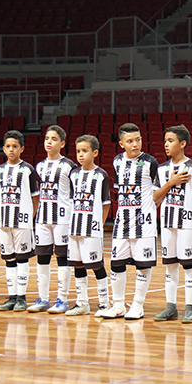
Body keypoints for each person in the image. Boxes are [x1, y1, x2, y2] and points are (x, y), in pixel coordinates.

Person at [100, 123, 160, 320]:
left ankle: (138, 305)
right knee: (116, 264)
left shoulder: (151, 162)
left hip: (144, 223)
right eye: (130, 141)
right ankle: (118, 305)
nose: (135, 144)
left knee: (143, 265)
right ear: (121, 144)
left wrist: (149, 211)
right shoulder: (117, 161)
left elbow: (157, 193)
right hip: (122, 224)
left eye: (138, 139)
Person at [153, 125, 192, 323]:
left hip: (186, 225)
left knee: (189, 266)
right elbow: (155, 197)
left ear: (182, 143)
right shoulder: (161, 169)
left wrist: (188, 210)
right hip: (167, 224)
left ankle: (190, 308)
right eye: (165, 141)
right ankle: (171, 307)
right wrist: (170, 183)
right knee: (170, 267)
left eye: (170, 141)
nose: (166, 144)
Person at [65, 135, 112, 316]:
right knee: (78, 265)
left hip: (92, 229)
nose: (81, 155)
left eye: (85, 151)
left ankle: (104, 302)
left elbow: (106, 203)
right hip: (75, 227)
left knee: (96, 265)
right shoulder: (74, 174)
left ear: (95, 153)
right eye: (78, 151)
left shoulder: (101, 175)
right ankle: (82, 303)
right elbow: (71, 201)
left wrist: (99, 225)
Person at [0, 130, 40, 312]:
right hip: (4, 221)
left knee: (22, 259)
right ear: (4, 149)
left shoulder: (27, 169)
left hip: (22, 221)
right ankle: (12, 296)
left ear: (22, 148)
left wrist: (30, 216)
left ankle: (21, 297)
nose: (11, 150)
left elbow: (35, 196)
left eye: (15, 146)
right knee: (9, 260)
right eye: (8, 146)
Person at [34, 125, 77, 314]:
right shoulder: (40, 165)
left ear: (62, 143)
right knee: (42, 258)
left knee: (62, 258)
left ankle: (62, 299)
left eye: (53, 139)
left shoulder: (69, 166)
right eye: (46, 138)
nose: (49, 142)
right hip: (43, 218)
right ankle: (43, 298)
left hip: (63, 218)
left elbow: (75, 195)